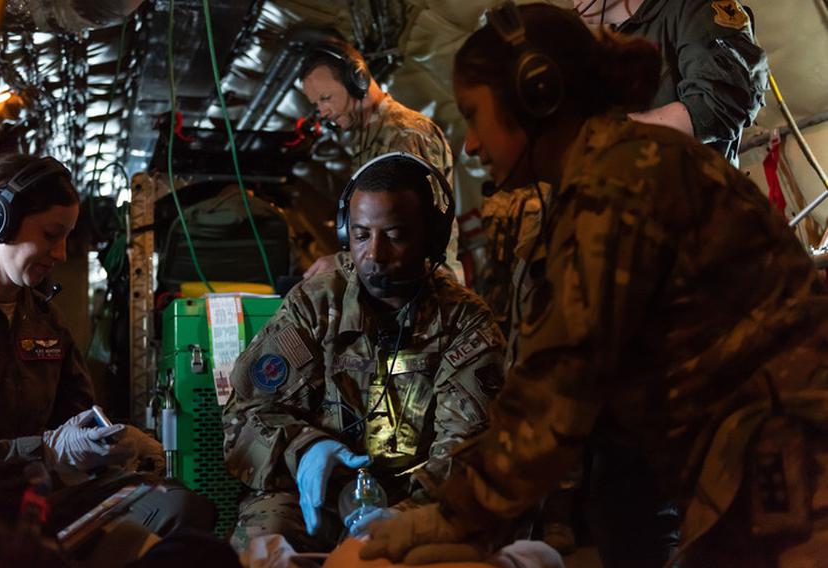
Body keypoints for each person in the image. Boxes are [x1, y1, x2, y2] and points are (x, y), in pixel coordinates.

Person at [360, 4, 828, 567]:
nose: (472, 147)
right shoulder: (616, 170)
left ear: (536, 97)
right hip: (763, 463)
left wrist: (453, 515)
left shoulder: (618, 185)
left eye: (475, 116)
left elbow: (557, 388)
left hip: (794, 478)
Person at [0, 154, 214, 544]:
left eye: (66, 238)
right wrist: (45, 452)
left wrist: (111, 443)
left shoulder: (45, 321)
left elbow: (78, 420)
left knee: (177, 506)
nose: (60, 254)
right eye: (50, 234)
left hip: (41, 497)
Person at [222, 152, 505, 553]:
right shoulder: (314, 306)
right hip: (316, 493)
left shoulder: (465, 323)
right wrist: (305, 450)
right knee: (263, 541)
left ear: (430, 237)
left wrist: (408, 515)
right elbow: (244, 415)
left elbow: (468, 450)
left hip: (418, 500)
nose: (374, 255)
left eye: (394, 235)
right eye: (360, 235)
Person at [299, 38, 464, 280]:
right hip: (395, 284)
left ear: (357, 80)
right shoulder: (368, 138)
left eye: (326, 98)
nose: (322, 111)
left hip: (427, 291)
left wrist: (341, 263)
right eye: (317, 104)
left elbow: (408, 231)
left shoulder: (405, 134)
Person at [573, 0, 769, 165]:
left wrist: (608, 133)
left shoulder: (692, 6)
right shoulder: (608, 46)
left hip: (694, 202)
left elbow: (720, 101)